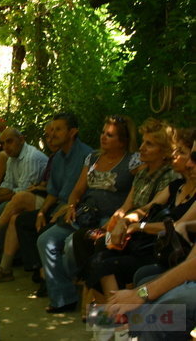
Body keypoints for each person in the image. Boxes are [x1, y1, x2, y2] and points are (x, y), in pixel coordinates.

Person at [37, 115, 140, 313]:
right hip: (85, 213)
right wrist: (71, 205)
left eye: (110, 135)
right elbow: (78, 190)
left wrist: (122, 215)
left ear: (123, 140)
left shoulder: (133, 161)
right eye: (103, 132)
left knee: (71, 244)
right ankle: (62, 298)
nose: (103, 137)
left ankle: (71, 282)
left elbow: (140, 189)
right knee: (45, 240)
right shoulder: (92, 158)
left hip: (109, 218)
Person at [85, 122, 188, 298]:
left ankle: (113, 307)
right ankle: (104, 306)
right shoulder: (150, 176)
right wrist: (121, 221)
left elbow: (170, 223)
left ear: (164, 151)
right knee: (92, 243)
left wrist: (135, 226)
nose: (141, 148)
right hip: (138, 234)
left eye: (149, 144)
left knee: (103, 258)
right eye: (142, 142)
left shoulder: (170, 176)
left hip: (155, 244)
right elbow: (140, 208)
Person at [12, 114, 92, 288]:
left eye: (58, 129)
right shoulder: (56, 158)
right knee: (24, 221)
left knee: (46, 231)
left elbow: (85, 193)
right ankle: (39, 270)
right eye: (52, 129)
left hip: (76, 209)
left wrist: (64, 209)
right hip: (58, 206)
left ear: (72, 132)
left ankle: (50, 278)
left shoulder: (87, 156)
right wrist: (42, 212)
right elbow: (53, 192)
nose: (53, 134)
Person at [0, 127, 49, 251]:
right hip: (19, 195)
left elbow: (23, 191)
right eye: (3, 143)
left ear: (21, 139)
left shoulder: (31, 157)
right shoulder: (11, 157)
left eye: (9, 141)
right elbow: (7, 185)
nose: (6, 146)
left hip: (36, 198)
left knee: (2, 205)